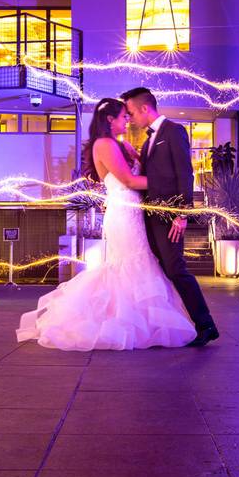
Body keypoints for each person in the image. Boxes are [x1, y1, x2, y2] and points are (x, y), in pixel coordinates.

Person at [16, 98, 198, 351]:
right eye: (124, 116)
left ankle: (142, 322)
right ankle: (122, 322)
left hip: (133, 211)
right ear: (110, 120)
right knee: (129, 263)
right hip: (123, 212)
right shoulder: (104, 144)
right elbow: (130, 181)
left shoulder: (118, 145)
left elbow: (141, 171)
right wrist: (172, 182)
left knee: (139, 261)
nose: (128, 120)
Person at [121, 87, 219, 347]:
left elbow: (185, 174)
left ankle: (205, 324)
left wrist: (182, 214)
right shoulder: (148, 139)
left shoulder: (174, 132)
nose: (129, 118)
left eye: (130, 112)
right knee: (163, 270)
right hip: (150, 216)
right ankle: (168, 324)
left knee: (176, 269)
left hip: (169, 216)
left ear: (145, 108)